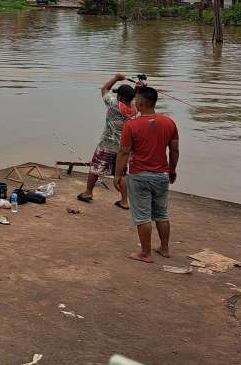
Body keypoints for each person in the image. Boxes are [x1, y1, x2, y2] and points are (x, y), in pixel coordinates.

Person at [115, 86, 179, 264]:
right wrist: (172, 170)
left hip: (139, 175)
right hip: (161, 175)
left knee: (142, 216)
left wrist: (117, 175)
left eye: (137, 100)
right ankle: (164, 249)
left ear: (141, 103)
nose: (135, 102)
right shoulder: (169, 122)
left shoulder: (131, 125)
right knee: (161, 213)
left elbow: (123, 152)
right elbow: (174, 150)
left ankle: (145, 253)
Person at [77, 73, 137, 208]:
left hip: (107, 145)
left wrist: (116, 78)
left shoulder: (114, 105)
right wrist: (138, 88)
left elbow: (104, 89)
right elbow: (134, 98)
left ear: (120, 97)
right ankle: (124, 201)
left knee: (95, 168)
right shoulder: (134, 108)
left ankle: (88, 193)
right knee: (121, 173)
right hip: (124, 148)